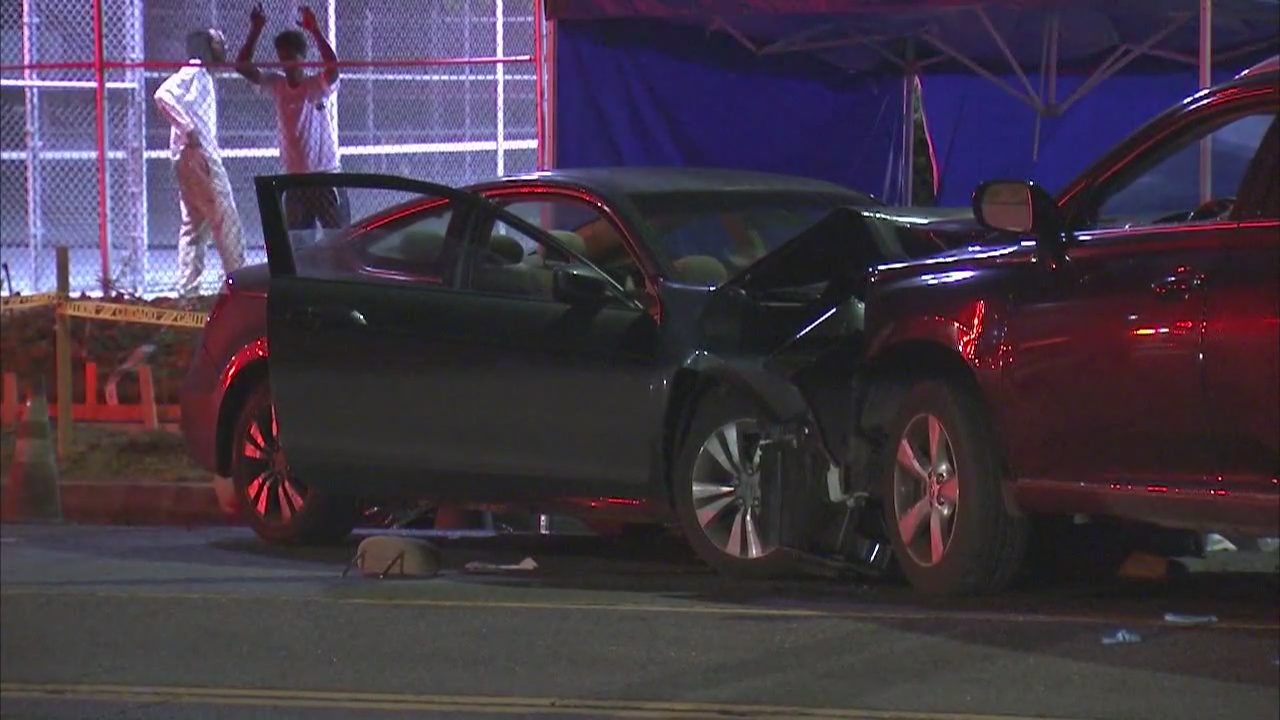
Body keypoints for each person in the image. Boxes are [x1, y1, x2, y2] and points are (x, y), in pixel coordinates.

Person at [235, 3, 348, 236]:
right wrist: (256, 29)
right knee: (299, 243)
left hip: (323, 175)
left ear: (302, 58)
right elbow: (242, 66)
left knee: (338, 238)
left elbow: (333, 69)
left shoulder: (315, 86)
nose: (286, 63)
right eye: (282, 57)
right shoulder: (277, 85)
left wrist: (315, 30)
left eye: (291, 57)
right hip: (295, 179)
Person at [154, 28, 245, 298]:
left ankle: (188, 292)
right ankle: (237, 289)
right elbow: (162, 94)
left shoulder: (201, 75)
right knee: (226, 219)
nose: (223, 48)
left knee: (194, 226)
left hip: (186, 158)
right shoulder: (194, 70)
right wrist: (188, 128)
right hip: (199, 155)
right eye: (219, 43)